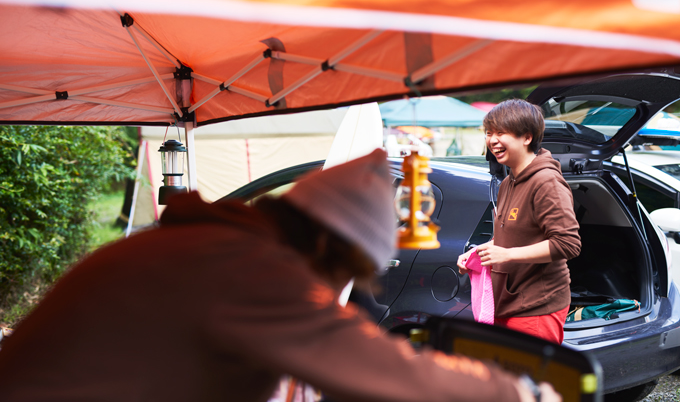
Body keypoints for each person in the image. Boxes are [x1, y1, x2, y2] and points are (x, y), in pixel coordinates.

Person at [0, 149, 558, 402]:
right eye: (342, 270)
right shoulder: (243, 267)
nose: (329, 288)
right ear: (321, 241)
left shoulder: (206, 245)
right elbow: (366, 362)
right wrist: (515, 392)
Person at [458, 100, 581, 344]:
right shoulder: (508, 182)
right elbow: (512, 235)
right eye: (489, 133)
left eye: (501, 132)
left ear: (527, 137)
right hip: (508, 302)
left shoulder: (546, 182)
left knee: (531, 381)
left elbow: (568, 244)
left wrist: (508, 255)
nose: (492, 140)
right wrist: (480, 251)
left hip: (536, 306)